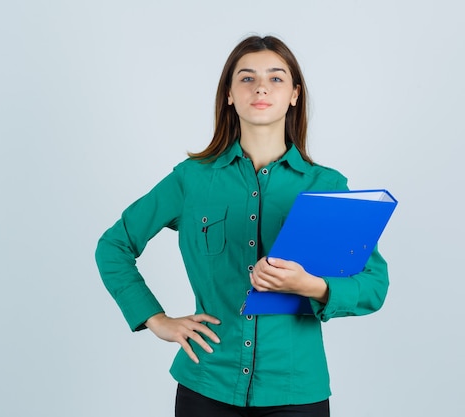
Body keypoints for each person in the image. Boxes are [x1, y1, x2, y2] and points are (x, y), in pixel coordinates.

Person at [95, 35, 389, 417]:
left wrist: (310, 286)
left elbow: (373, 285)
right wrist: (155, 319)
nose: (261, 86)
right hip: (206, 385)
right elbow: (114, 245)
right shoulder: (191, 180)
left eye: (276, 78)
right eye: (247, 78)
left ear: (295, 95)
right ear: (230, 95)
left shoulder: (327, 186)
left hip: (296, 391)